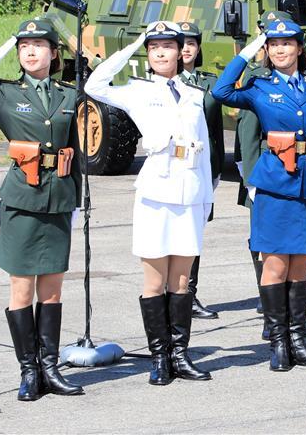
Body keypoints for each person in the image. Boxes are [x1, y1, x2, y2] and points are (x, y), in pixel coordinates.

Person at [0, 18, 84, 401]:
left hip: (58, 199)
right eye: (24, 45)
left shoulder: (68, 95)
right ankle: (29, 370)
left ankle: (50, 367)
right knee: (22, 288)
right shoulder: (5, 93)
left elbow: (75, 150)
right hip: (23, 200)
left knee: (52, 290)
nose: (30, 50)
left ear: (54, 53)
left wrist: (79, 197)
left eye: (39, 44)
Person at [85, 20, 212, 385]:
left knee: (182, 280)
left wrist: (205, 200)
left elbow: (203, 153)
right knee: (155, 281)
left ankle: (179, 354)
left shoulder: (193, 94)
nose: (160, 52)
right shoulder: (137, 90)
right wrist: (131, 44)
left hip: (188, 190)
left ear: (181, 52)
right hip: (156, 192)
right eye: (153, 46)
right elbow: (95, 85)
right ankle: (159, 357)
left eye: (167, 46)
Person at [213, 20, 306, 371]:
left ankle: (298, 339)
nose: (281, 50)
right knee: (276, 264)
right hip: (275, 186)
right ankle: (279, 342)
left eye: (287, 43)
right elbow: (221, 91)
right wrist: (249, 50)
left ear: (300, 48)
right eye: (273, 44)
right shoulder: (258, 87)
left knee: (301, 264)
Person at [178, 21, 224, 320]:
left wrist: (218, 168)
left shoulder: (208, 83)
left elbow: (217, 130)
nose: (185, 49)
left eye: (191, 43)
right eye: (179, 43)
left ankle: (189, 293)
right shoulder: (165, 82)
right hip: (176, 167)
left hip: (203, 168)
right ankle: (177, 293)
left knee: (194, 233)